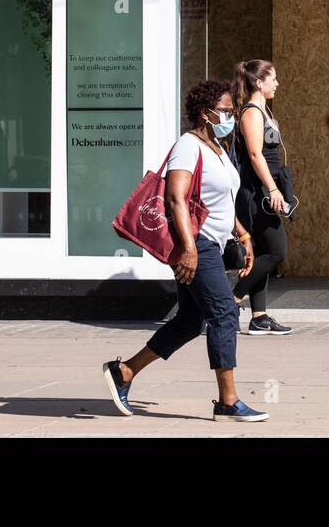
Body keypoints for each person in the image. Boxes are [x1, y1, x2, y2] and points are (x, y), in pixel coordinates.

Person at [101, 80, 268, 421]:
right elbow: (176, 197)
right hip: (197, 245)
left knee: (191, 321)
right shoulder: (188, 146)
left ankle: (126, 371)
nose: (231, 116)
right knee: (224, 313)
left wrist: (243, 234)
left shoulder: (218, 149)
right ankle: (228, 401)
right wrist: (189, 249)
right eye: (225, 111)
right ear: (205, 114)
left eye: (231, 111)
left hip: (212, 244)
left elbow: (218, 200)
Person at [231, 59, 293, 335]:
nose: (277, 83)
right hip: (256, 192)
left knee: (263, 251)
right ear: (259, 82)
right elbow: (256, 154)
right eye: (273, 79)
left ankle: (259, 316)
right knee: (277, 251)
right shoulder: (251, 113)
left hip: (263, 189)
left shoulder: (263, 110)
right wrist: (272, 188)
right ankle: (230, 302)